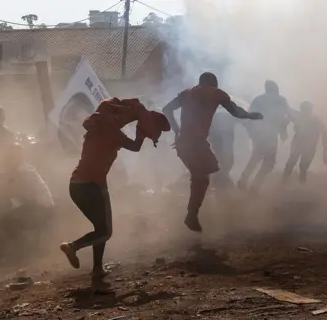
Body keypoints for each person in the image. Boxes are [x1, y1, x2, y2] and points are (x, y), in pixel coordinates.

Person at [59, 98, 170, 287]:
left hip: (75, 185)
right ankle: (73, 247)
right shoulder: (112, 132)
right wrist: (141, 133)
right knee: (105, 231)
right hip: (94, 185)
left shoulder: (96, 128)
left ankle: (97, 269)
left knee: (99, 228)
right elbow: (135, 147)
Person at [163, 72, 263, 233]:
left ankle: (195, 212)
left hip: (185, 143)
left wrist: (176, 131)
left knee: (205, 173)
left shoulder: (187, 93)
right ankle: (193, 214)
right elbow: (236, 112)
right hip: (196, 143)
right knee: (205, 174)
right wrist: (251, 116)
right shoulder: (216, 94)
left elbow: (166, 109)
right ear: (214, 83)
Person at [238, 80, 290, 193]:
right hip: (270, 134)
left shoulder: (258, 99)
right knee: (268, 163)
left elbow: (249, 117)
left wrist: (251, 133)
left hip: (258, 133)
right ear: (276, 88)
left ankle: (244, 179)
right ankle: (254, 187)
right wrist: (283, 132)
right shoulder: (281, 100)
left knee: (256, 156)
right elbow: (285, 117)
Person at [283, 101, 327, 183]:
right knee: (296, 164)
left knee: (297, 165)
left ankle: (288, 184)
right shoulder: (314, 119)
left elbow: (325, 134)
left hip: (307, 144)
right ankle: (287, 183)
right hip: (304, 144)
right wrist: (324, 154)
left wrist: (324, 154)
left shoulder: (312, 118)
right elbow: (325, 134)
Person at [208, 110, 241, 190]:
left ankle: (219, 179)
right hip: (220, 133)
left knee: (220, 157)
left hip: (213, 133)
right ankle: (221, 179)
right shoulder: (230, 118)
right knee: (226, 158)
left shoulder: (219, 114)